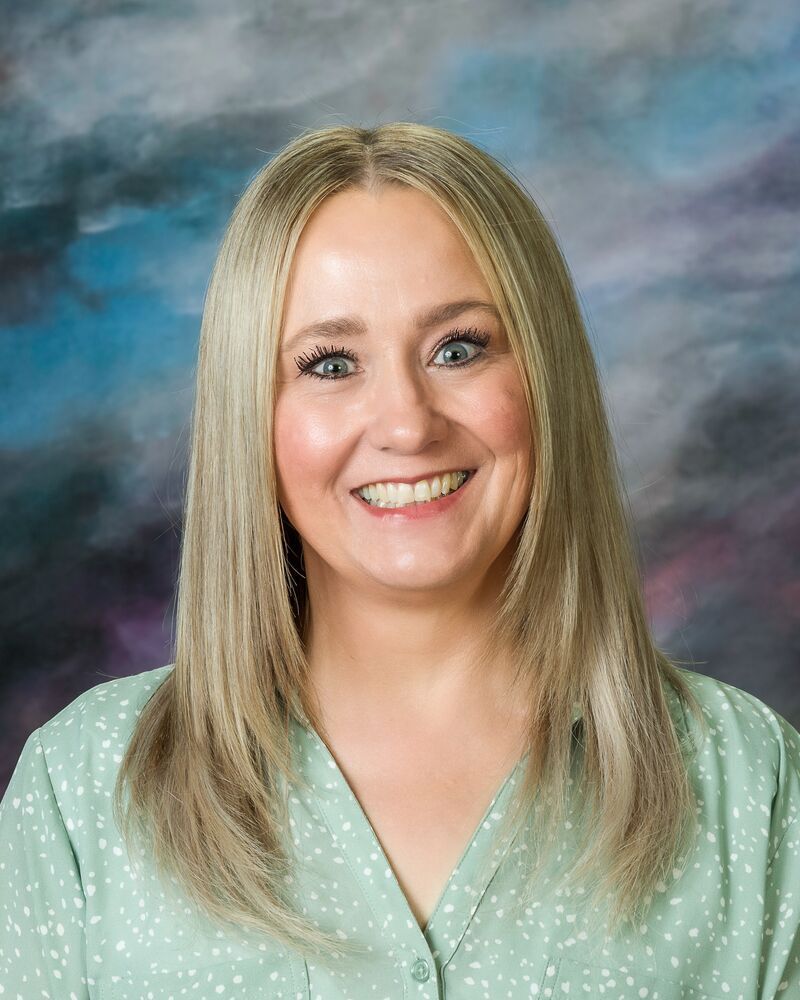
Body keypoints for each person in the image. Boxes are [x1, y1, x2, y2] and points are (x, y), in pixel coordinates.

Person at [1, 122, 798, 999]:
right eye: (331, 363)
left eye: (459, 349)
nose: (408, 424)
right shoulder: (85, 789)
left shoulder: (749, 789)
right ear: (250, 421)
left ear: (545, 378)